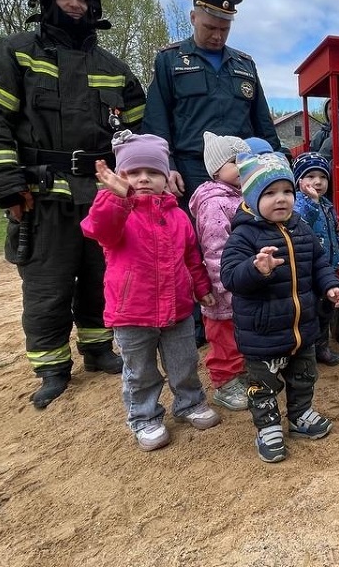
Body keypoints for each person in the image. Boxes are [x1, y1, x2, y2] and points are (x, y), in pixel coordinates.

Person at [0, 0, 146, 409]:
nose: (73, 4)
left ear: (93, 6)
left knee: (99, 276)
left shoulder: (116, 68)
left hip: (100, 193)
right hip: (40, 194)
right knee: (47, 285)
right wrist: (7, 185)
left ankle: (99, 349)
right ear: (46, 1)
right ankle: (51, 368)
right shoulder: (14, 53)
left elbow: (139, 136)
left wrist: (138, 185)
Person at [81, 132, 221, 450]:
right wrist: (116, 197)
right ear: (121, 175)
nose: (144, 178)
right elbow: (96, 228)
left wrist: (201, 288)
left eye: (153, 172)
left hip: (178, 309)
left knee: (184, 362)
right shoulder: (119, 211)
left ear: (166, 177)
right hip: (131, 313)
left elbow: (191, 257)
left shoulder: (178, 216)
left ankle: (189, 404)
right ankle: (144, 417)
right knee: (140, 371)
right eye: (134, 172)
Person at [220, 153, 339, 463]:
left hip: (302, 329)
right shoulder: (244, 235)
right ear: (252, 196)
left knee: (304, 376)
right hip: (263, 334)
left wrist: (330, 285)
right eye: (270, 193)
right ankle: (268, 427)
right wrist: (256, 269)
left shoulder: (300, 227)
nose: (281, 200)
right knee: (264, 386)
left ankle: (300, 414)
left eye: (287, 191)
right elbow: (231, 277)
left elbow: (318, 262)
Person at [143, 0, 281, 201]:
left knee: (245, 233)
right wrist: (166, 166)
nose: (218, 36)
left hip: (242, 169)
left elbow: (262, 122)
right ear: (193, 18)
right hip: (190, 171)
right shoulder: (169, 60)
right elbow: (156, 120)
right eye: (210, 27)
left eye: (224, 29)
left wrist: (277, 162)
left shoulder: (245, 65)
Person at [188, 132, 253, 410]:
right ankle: (225, 383)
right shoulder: (214, 202)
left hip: (242, 281)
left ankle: (238, 373)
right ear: (216, 169)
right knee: (223, 335)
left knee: (238, 332)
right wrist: (224, 284)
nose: (243, 166)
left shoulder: (242, 195)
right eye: (235, 161)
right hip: (223, 285)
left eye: (246, 160)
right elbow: (215, 251)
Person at [292, 152, 339, 366]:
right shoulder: (298, 203)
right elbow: (300, 224)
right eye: (311, 176)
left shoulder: (327, 203)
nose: (318, 181)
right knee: (309, 313)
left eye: (323, 177)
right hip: (307, 268)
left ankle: (322, 347)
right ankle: (307, 351)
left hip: (327, 267)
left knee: (325, 310)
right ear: (299, 181)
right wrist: (312, 202)